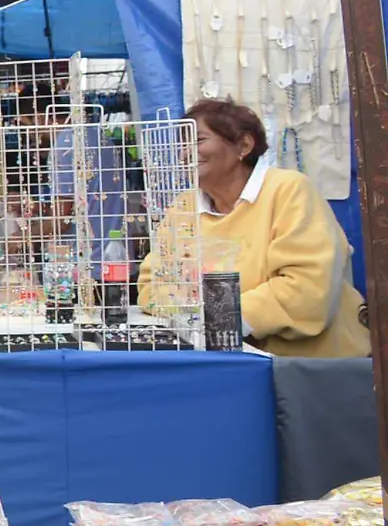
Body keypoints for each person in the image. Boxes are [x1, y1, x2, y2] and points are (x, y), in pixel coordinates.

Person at [139, 99, 367, 358]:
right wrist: (208, 318)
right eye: (181, 145)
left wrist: (209, 318)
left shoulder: (288, 190)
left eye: (197, 140)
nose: (184, 154)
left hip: (306, 368)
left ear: (244, 146)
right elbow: (151, 287)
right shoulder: (183, 207)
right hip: (218, 362)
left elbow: (307, 289)